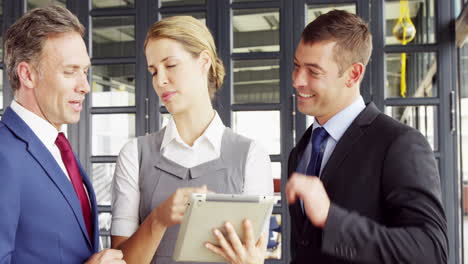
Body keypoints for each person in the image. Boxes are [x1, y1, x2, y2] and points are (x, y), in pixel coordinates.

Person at [206, 10, 448, 264]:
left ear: (353, 74)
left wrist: (331, 218)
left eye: (314, 71)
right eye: (297, 66)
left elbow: (431, 252)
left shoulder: (399, 144)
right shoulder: (300, 152)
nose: (297, 80)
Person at [110, 15, 273, 264]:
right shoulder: (134, 154)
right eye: (154, 71)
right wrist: (158, 219)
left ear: (203, 61)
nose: (160, 80)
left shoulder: (251, 156)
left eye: (171, 65)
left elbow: (255, 256)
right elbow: (118, 261)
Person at [0, 5, 125, 264]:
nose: (85, 87)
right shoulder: (4, 154)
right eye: (70, 72)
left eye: (85, 72)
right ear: (27, 75)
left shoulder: (57, 147)